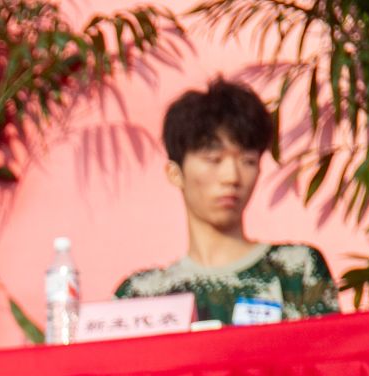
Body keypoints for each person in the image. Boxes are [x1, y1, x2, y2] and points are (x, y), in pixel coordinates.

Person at [114, 78, 341, 325]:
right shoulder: (141, 296)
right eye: (213, 159)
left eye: (248, 161)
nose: (232, 177)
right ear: (175, 173)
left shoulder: (296, 270)